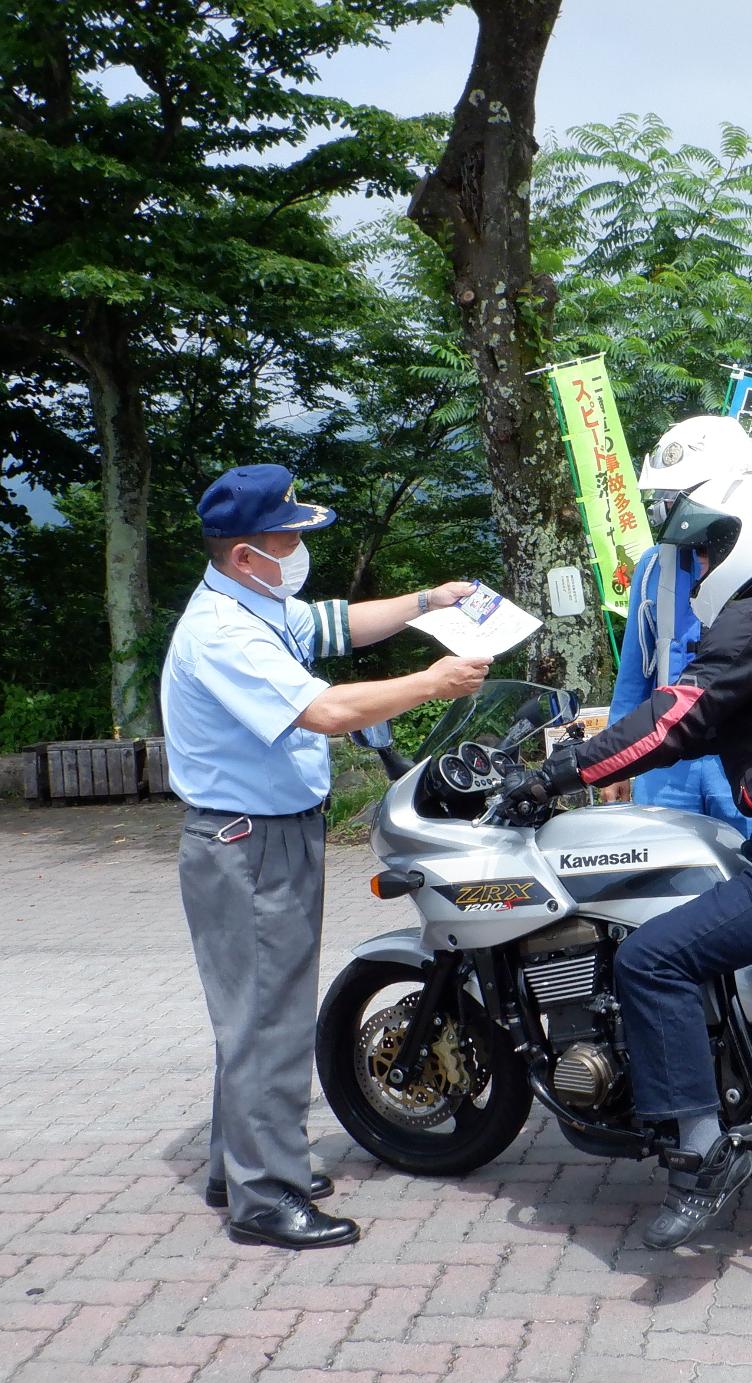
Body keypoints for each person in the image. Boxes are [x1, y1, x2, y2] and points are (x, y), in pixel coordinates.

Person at [514, 472, 752, 1248]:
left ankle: (699, 1152)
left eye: (712, 544)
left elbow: (669, 720)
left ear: (749, 540)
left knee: (653, 959)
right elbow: (705, 722)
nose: (699, 560)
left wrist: (556, 774)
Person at [161, 463, 490, 1248]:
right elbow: (327, 709)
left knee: (255, 1016)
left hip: (262, 834)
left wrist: (427, 603)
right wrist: (431, 682)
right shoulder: (226, 633)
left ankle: (236, 1165)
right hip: (248, 843)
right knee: (266, 1022)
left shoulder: (258, 602)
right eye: (290, 536)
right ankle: (266, 1198)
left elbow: (338, 625)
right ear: (245, 554)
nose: (302, 546)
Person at [613, 415, 752, 833]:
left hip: (750, 757)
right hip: (666, 762)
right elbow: (635, 673)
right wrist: (619, 759)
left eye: (680, 494)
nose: (668, 506)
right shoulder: (653, 567)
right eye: (666, 495)